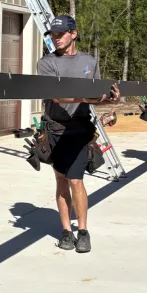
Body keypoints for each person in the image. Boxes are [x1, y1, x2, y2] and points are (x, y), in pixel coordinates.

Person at [37, 15, 119, 254]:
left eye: (60, 34)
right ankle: (66, 231)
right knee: (61, 180)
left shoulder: (89, 61)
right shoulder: (47, 63)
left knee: (76, 180)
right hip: (56, 129)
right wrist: (86, 97)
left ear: (73, 33)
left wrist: (112, 101)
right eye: (52, 35)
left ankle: (83, 231)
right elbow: (57, 96)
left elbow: (97, 96)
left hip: (80, 128)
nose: (56, 38)